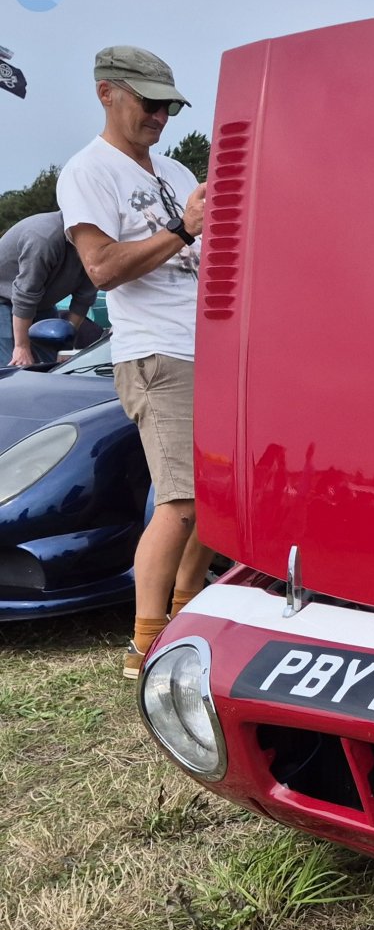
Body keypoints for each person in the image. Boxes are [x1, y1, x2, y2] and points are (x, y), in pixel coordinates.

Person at [56, 45, 212, 679]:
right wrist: (184, 229)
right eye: (149, 103)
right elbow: (101, 269)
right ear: (106, 93)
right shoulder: (87, 172)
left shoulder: (175, 171)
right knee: (181, 503)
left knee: (216, 500)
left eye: (168, 106)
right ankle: (145, 645)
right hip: (156, 354)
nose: (160, 116)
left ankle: (186, 615)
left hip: (209, 352)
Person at [0, 211, 99, 366]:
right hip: (5, 298)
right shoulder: (43, 238)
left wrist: (66, 346)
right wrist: (21, 346)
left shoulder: (98, 242)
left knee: (51, 365)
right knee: (13, 365)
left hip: (42, 302)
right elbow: (25, 295)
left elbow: (84, 299)